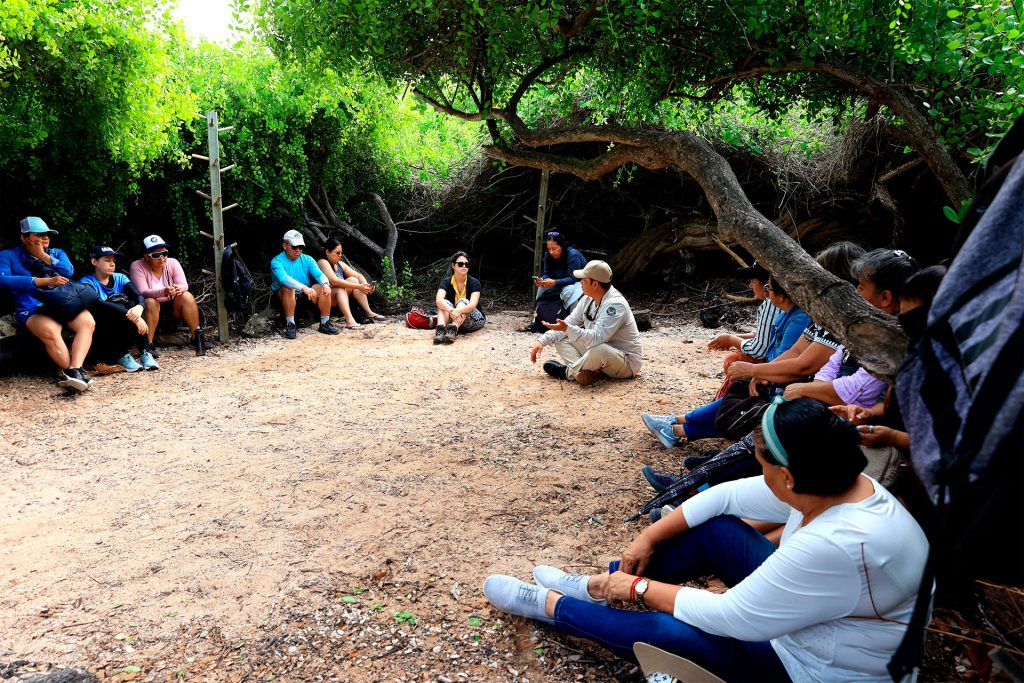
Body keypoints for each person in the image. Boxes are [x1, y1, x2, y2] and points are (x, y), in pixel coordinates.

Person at [483, 398, 929, 682]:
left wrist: (641, 588)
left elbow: (731, 617)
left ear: (789, 476)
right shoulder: (839, 481)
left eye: (762, 465)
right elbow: (727, 496)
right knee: (715, 530)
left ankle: (551, 606)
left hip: (814, 668)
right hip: (819, 621)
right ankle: (597, 587)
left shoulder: (837, 543)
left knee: (663, 629)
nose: (758, 474)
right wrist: (649, 534)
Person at [644, 276, 809, 445]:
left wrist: (756, 369)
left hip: (784, 386)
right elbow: (783, 351)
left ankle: (676, 427)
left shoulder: (797, 319)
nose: (763, 291)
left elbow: (776, 356)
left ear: (781, 295)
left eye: (769, 289)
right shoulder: (790, 314)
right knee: (739, 393)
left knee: (741, 404)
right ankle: (676, 425)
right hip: (775, 376)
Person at [0, 217, 96, 391]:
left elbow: (69, 270)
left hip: (61, 302)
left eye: (47, 234)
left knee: (87, 322)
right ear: (24, 238)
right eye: (39, 234)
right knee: (51, 330)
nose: (45, 238)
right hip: (30, 308)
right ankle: (71, 372)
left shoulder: (56, 253)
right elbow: (4, 280)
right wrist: (42, 281)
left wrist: (43, 256)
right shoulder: (8, 255)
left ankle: (75, 370)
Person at [530, 260, 642, 385]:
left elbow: (596, 338)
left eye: (584, 279)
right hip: (600, 354)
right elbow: (570, 322)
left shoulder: (615, 305)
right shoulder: (588, 298)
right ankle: (584, 373)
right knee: (561, 338)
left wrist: (567, 329)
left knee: (600, 349)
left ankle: (568, 372)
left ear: (595, 284)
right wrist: (542, 341)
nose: (580, 282)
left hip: (626, 362)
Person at [706, 261, 778, 398]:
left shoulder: (771, 304)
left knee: (733, 360)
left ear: (767, 285)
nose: (750, 285)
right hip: (779, 361)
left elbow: (759, 350)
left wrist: (731, 339)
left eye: (753, 281)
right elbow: (764, 334)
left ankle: (726, 402)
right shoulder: (775, 304)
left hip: (775, 363)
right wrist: (731, 338)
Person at [129, 234, 204, 362]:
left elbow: (184, 285)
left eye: (164, 253)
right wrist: (163, 291)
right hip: (150, 308)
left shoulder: (173, 263)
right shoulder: (137, 266)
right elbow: (142, 291)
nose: (162, 258)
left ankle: (196, 338)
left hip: (172, 306)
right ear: (146, 257)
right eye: (156, 255)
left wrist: (178, 288)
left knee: (186, 296)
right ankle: (148, 345)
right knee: (150, 302)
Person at [80, 245, 152, 373]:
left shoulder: (120, 277)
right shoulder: (86, 282)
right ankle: (122, 355)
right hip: (102, 330)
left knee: (134, 305)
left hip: (123, 323)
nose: (112, 264)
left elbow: (138, 295)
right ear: (94, 261)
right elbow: (99, 303)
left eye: (113, 261)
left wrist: (139, 307)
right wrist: (134, 317)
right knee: (120, 307)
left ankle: (145, 352)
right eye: (107, 260)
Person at [271, 230, 340, 339]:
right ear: (285, 246)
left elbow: (319, 274)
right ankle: (290, 324)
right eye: (294, 247)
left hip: (304, 295)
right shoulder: (277, 261)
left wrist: (326, 284)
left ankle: (325, 322)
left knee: (322, 287)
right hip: (283, 296)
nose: (298, 250)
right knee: (288, 287)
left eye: (300, 247)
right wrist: (304, 288)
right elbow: (284, 279)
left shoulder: (307, 259)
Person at [524, 230, 586, 332]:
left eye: (554, 248)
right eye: (549, 249)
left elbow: (572, 278)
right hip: (557, 281)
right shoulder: (548, 255)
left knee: (570, 293)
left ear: (562, 246)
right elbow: (546, 272)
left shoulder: (573, 255)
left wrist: (554, 282)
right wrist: (543, 280)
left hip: (578, 283)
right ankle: (537, 320)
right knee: (541, 289)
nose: (552, 252)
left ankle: (574, 323)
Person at [316, 238, 385, 328]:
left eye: (341, 253)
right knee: (341, 288)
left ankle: (369, 312)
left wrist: (366, 285)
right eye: (337, 253)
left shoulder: (340, 264)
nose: (340, 255)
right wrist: (359, 286)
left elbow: (358, 276)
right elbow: (334, 281)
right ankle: (349, 320)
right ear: (327, 252)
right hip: (326, 298)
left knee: (354, 279)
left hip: (340, 298)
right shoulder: (322, 262)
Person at [433, 250, 486, 344]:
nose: (464, 266)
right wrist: (451, 310)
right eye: (461, 264)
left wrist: (457, 311)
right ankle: (440, 330)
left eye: (466, 264)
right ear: (453, 266)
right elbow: (438, 300)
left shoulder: (474, 282)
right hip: (454, 316)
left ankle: (453, 330)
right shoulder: (446, 282)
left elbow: (473, 304)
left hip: (474, 320)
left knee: (463, 301)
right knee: (443, 303)